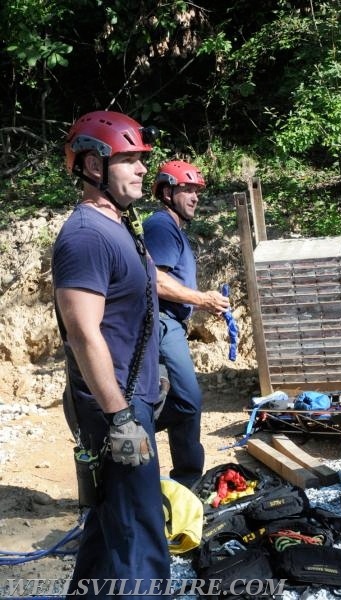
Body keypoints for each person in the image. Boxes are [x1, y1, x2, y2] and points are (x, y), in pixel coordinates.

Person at [52, 110, 170, 599]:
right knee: (142, 539)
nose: (144, 168)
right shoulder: (85, 237)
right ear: (93, 166)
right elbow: (83, 334)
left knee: (109, 527)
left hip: (128, 397)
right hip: (113, 409)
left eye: (143, 158)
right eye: (130, 159)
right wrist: (121, 416)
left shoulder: (118, 226)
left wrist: (152, 371)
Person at [143, 160, 230, 488]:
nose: (195, 197)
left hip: (173, 324)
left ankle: (187, 483)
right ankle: (127, 432)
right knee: (186, 400)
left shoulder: (173, 229)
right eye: (187, 189)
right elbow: (157, 280)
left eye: (197, 191)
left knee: (185, 406)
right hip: (162, 324)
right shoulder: (162, 226)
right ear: (167, 192)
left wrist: (202, 304)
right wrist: (202, 299)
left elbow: (172, 282)